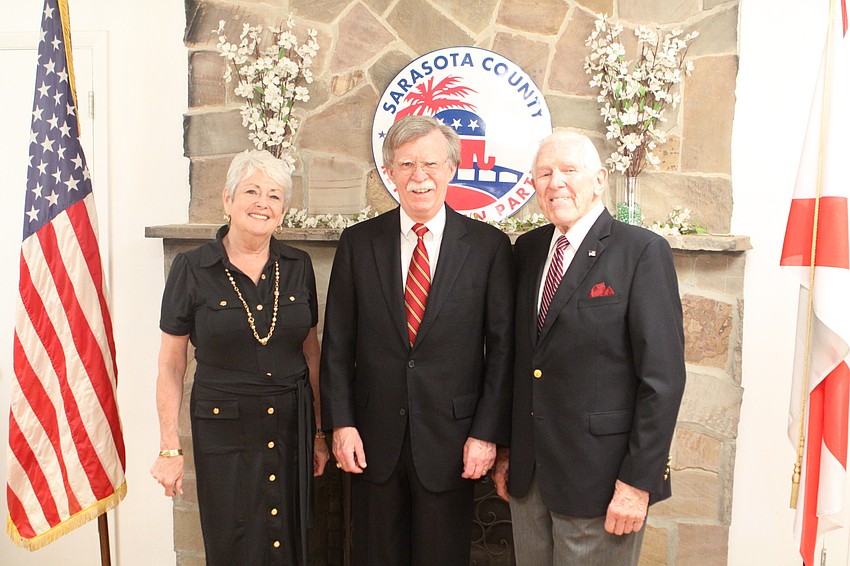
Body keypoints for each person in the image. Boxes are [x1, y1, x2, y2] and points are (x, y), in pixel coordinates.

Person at [320, 115, 514, 565]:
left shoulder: (488, 248)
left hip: (453, 443)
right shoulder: (358, 243)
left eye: (430, 163)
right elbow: (337, 345)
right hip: (371, 441)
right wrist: (341, 424)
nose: (419, 176)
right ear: (390, 171)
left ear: (451, 168)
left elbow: (502, 352)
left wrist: (486, 434)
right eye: (406, 164)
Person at [492, 130, 686, 565]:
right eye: (544, 173)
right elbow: (521, 362)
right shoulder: (527, 250)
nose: (555, 182)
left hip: (604, 483)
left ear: (599, 180)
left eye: (568, 170)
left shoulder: (642, 251)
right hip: (530, 481)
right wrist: (507, 450)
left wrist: (638, 483)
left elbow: (663, 380)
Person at [150, 149, 329, 566]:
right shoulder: (191, 268)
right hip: (224, 428)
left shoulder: (298, 265)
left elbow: (312, 354)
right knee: (234, 540)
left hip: (292, 424)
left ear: (283, 210)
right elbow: (171, 364)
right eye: (251, 191)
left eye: (274, 196)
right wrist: (169, 448)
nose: (262, 204)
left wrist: (319, 432)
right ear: (227, 200)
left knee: (291, 540)